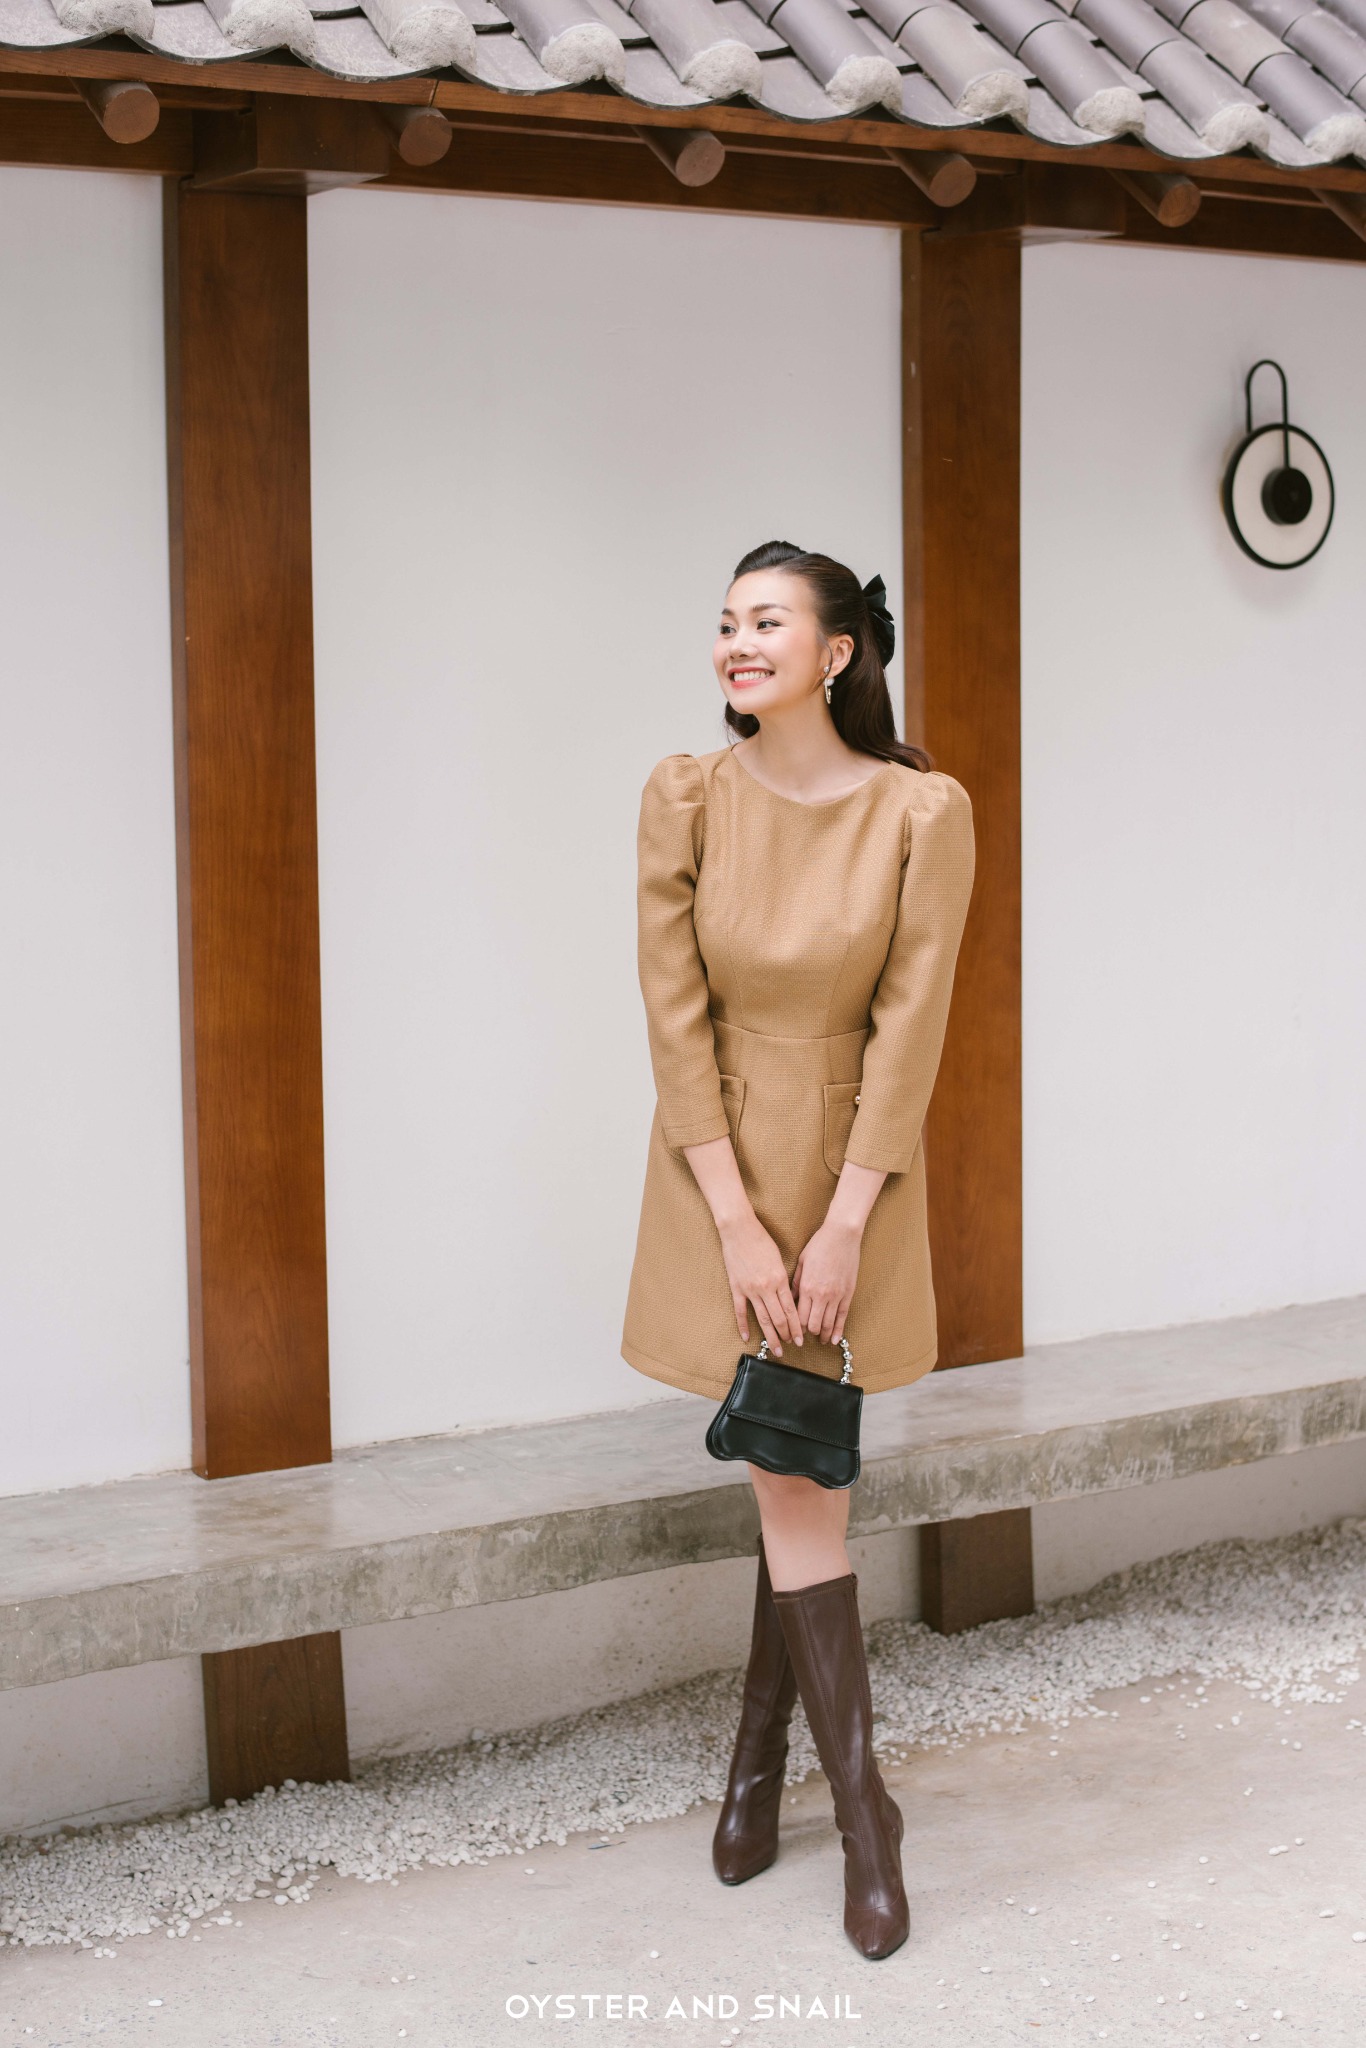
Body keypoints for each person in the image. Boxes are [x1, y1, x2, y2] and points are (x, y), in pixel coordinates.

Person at [619, 540, 976, 1961]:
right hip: (714, 1166)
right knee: (792, 1470)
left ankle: (810, 1794)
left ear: (836, 653)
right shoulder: (685, 796)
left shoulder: (920, 810)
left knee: (791, 1468)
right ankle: (836, 1800)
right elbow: (673, 1018)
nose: (736, 642)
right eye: (724, 622)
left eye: (766, 621)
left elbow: (912, 1026)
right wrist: (733, 1219)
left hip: (853, 1177)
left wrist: (839, 1223)